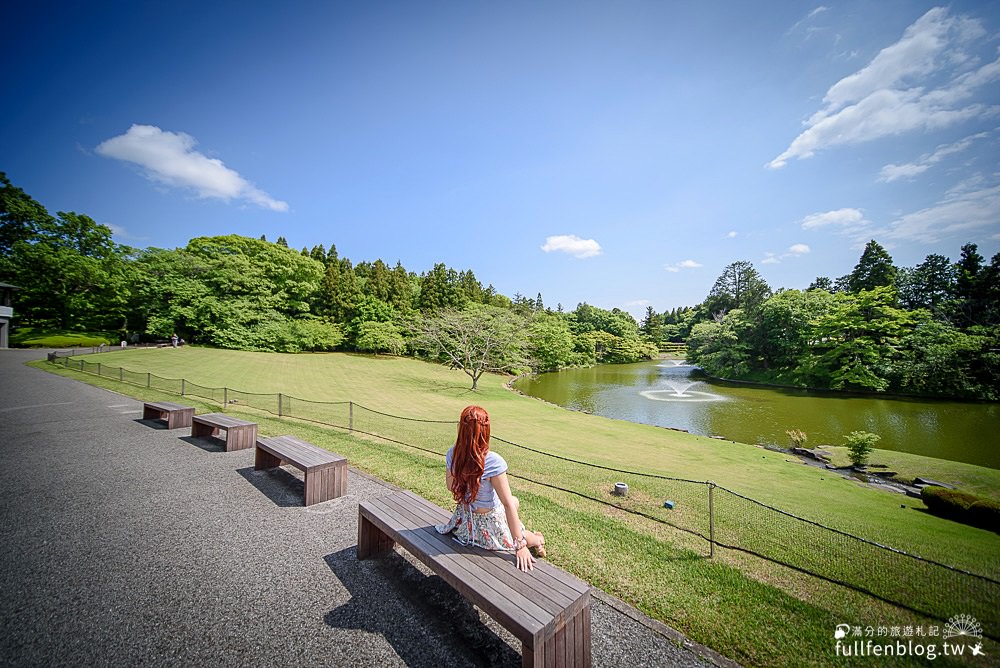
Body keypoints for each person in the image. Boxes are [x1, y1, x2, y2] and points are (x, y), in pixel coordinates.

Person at [435, 405, 545, 571]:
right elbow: (506, 503)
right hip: (489, 526)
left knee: (513, 503)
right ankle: (537, 540)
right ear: (486, 432)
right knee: (514, 514)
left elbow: (451, 486)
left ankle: (529, 532)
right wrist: (520, 546)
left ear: (460, 429)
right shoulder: (493, 461)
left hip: (465, 520)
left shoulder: (453, 453)